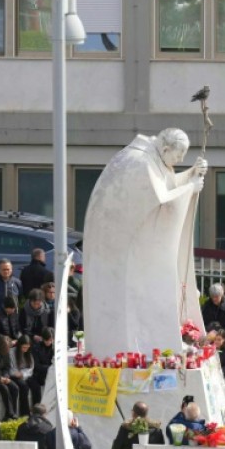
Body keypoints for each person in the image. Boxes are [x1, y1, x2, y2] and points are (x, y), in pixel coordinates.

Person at [84, 128, 208, 356]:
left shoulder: (152, 157)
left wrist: (192, 174)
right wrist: (190, 187)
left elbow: (165, 186)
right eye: (178, 156)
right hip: (121, 254)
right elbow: (161, 202)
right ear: (165, 148)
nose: (179, 161)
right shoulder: (138, 163)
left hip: (134, 251)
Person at [10, 335, 40, 409]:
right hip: (15, 376)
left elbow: (31, 367)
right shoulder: (12, 352)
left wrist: (23, 374)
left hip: (26, 375)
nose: (25, 349)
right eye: (24, 347)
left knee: (36, 386)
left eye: (27, 347)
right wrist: (17, 374)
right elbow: (11, 367)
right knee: (24, 387)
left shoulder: (28, 353)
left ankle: (37, 409)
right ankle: (25, 412)